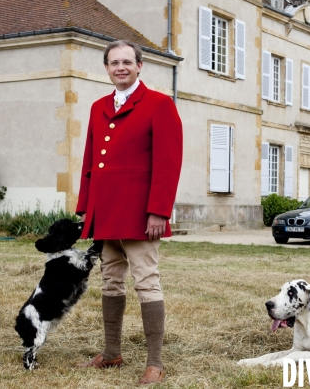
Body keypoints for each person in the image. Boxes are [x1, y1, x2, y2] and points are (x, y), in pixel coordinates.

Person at [74, 40, 183, 385]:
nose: (120, 68)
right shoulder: (97, 106)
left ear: (140, 66)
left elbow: (168, 163)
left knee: (146, 283)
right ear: (106, 68)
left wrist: (159, 212)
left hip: (140, 214)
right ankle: (111, 353)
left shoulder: (159, 104)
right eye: (113, 63)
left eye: (127, 62)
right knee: (110, 280)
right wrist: (85, 208)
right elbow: (91, 161)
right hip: (106, 212)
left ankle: (155, 362)